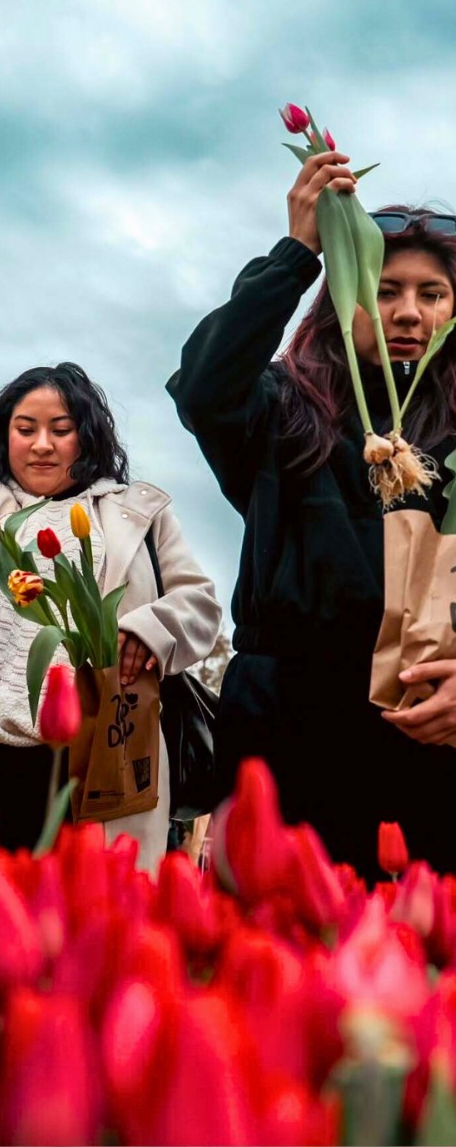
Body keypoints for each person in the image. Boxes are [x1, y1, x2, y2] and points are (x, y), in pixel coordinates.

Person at [168, 148, 456, 880]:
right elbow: (202, 387)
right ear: (345, 296)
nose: (408, 313)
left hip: (432, 728)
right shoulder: (283, 413)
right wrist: (297, 252)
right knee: (270, 963)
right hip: (289, 728)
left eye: (433, 294)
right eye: (385, 288)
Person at [0, 340, 221, 871]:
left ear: (88, 434)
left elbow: (199, 603)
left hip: (96, 752)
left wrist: (152, 629)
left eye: (61, 429)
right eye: (25, 429)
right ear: (4, 433)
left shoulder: (134, 512)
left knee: (81, 914)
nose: (41, 445)